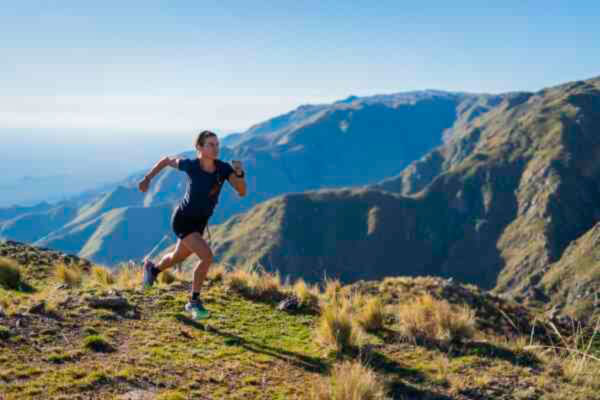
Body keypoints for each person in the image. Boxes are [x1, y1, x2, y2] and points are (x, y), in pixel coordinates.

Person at [137, 130, 247, 319]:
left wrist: (239, 173)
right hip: (183, 220)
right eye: (210, 145)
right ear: (199, 148)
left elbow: (242, 191)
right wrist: (147, 178)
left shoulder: (223, 168)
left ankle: (152, 270)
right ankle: (193, 301)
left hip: (199, 224)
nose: (215, 148)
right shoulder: (191, 165)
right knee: (206, 257)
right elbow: (165, 160)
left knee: (178, 256)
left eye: (217, 144)